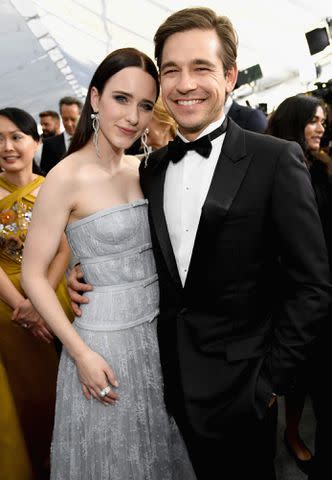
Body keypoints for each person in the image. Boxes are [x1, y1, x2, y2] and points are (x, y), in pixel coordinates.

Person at [68, 8, 331, 480]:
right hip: (159, 384)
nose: (185, 83)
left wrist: (269, 382)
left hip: (243, 391)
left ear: (229, 76)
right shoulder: (150, 169)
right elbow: (139, 246)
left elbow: (311, 286)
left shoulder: (275, 160)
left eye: (201, 68)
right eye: (171, 70)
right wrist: (86, 271)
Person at [21, 48, 196, 480]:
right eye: (121, 99)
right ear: (95, 99)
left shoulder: (146, 169)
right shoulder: (65, 177)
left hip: (157, 337)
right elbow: (32, 274)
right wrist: (79, 354)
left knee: (156, 453)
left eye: (144, 105)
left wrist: (80, 263)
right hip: (103, 345)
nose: (133, 117)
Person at [0, 107, 73, 480]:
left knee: (64, 384)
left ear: (36, 142)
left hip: (54, 294)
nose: (7, 146)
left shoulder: (52, 187)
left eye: (16, 137)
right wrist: (24, 307)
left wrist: (40, 298)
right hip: (8, 310)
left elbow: (65, 248)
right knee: (24, 391)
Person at [267, 93, 329, 475]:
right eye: (314, 121)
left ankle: (297, 433)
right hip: (290, 291)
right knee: (295, 373)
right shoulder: (280, 168)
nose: (321, 128)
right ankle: (290, 433)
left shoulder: (320, 167)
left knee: (313, 376)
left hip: (320, 287)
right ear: (294, 122)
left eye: (324, 121)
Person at [40, 96, 83, 175]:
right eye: (65, 119)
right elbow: (45, 174)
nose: (69, 124)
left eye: (73, 119)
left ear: (81, 116)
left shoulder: (94, 139)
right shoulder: (49, 144)